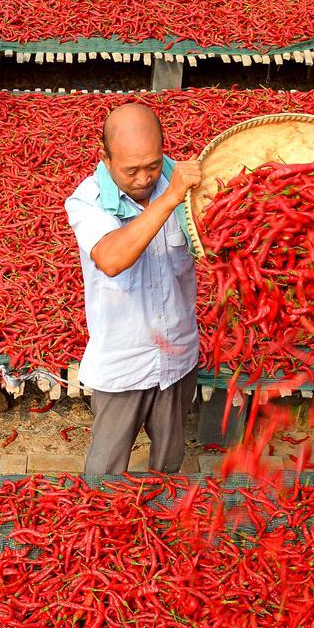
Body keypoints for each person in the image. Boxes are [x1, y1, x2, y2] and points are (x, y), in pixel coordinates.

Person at [65, 103, 203, 474]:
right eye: (131, 170)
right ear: (105, 158)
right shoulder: (87, 201)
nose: (144, 178)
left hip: (177, 353)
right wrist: (170, 196)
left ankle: (159, 524)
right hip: (123, 360)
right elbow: (112, 258)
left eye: (153, 165)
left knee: (169, 463)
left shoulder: (189, 184)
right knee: (105, 470)